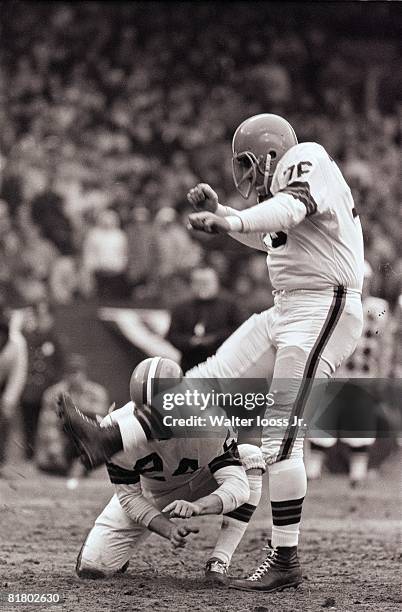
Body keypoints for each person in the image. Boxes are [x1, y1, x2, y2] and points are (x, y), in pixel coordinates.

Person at [57, 113, 364, 593]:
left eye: (247, 162)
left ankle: (286, 559)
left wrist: (231, 218)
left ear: (271, 153)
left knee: (280, 439)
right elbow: (270, 234)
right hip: (288, 308)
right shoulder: (279, 198)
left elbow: (288, 210)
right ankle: (106, 439)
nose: (244, 174)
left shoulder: (308, 158)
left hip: (324, 303)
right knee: (197, 386)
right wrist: (225, 216)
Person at [68, 357, 264, 585]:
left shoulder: (209, 421)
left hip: (203, 481)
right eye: (148, 415)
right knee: (93, 567)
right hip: (152, 495)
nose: (155, 424)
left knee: (250, 456)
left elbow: (238, 488)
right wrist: (167, 528)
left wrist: (198, 506)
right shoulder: (115, 431)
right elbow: (129, 496)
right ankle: (122, 551)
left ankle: (219, 560)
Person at [306, 261, 394, 486]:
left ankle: (358, 474)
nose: (362, 285)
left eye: (365, 280)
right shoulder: (336, 303)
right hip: (335, 373)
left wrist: (382, 375)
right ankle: (313, 471)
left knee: (360, 423)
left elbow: (386, 344)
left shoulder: (378, 307)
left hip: (364, 376)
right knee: (323, 421)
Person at [36, 354, 109, 476]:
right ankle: (64, 464)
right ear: (65, 375)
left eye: (77, 372)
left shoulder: (97, 393)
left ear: (84, 373)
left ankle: (85, 463)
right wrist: (55, 450)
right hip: (63, 441)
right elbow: (47, 424)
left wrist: (77, 409)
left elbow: (103, 420)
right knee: (50, 462)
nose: (74, 377)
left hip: (87, 441)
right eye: (71, 373)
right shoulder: (53, 393)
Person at [167, 266, 243, 372]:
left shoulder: (231, 306)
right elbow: (172, 335)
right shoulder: (181, 308)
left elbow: (241, 331)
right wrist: (191, 342)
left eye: (206, 282)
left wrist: (215, 339)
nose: (202, 286)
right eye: (198, 282)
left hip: (224, 365)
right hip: (190, 366)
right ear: (191, 284)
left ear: (216, 283)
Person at [0, 315, 28, 475]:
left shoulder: (17, 343)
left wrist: (8, 402)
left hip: (5, 385)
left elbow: (18, 375)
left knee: (3, 421)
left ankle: (1, 462)